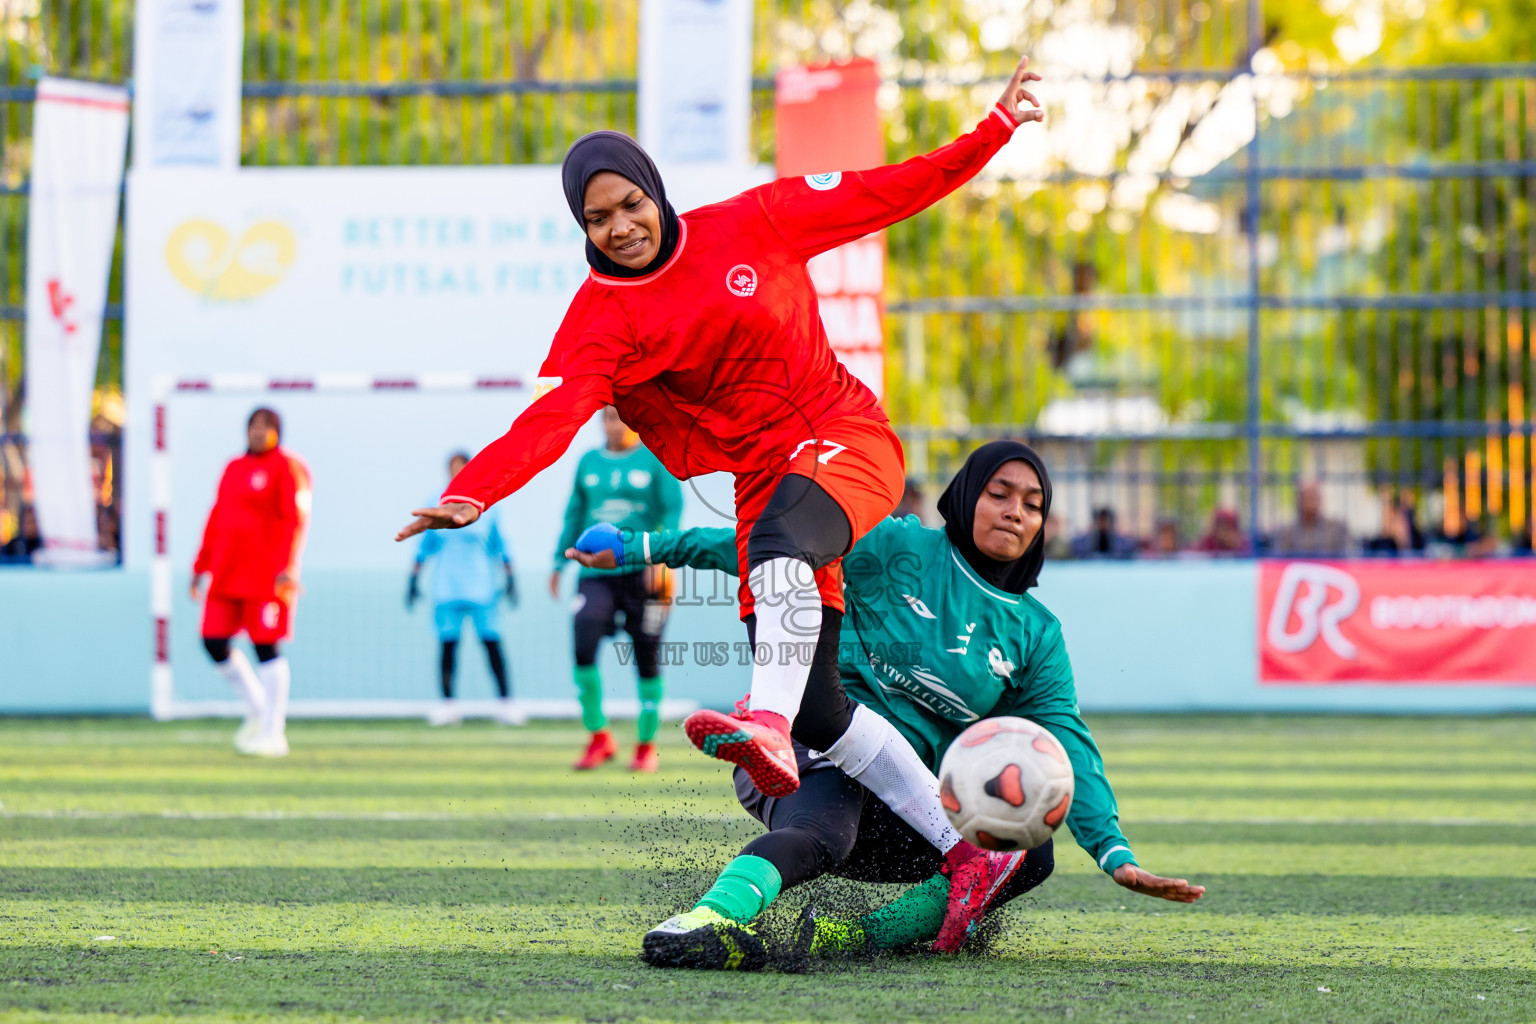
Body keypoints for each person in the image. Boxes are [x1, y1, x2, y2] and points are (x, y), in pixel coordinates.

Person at [396, 58, 1046, 898]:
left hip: (844, 437)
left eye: (631, 203)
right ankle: (971, 858)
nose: (621, 226)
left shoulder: (756, 221)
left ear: (655, 192)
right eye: (598, 218)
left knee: (782, 611)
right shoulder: (599, 322)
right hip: (765, 493)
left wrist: (992, 128)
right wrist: (474, 492)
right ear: (581, 227)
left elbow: (890, 189)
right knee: (825, 713)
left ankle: (763, 723)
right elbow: (550, 422)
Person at [567, 442, 1203, 967]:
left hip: (908, 797)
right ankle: (704, 920)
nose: (1015, 512)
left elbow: (1066, 743)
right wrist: (641, 547)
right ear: (965, 496)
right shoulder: (899, 548)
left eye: (1033, 504)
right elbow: (770, 545)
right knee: (823, 833)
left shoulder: (1035, 632)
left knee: (1026, 850)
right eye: (999, 494)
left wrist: (1115, 854)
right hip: (816, 747)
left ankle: (853, 938)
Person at [552, 407, 682, 771]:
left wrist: (664, 559)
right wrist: (557, 561)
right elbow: (574, 513)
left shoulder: (657, 460)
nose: (615, 423)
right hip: (595, 572)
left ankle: (645, 743)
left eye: (622, 416)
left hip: (644, 572)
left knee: (647, 655)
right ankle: (599, 737)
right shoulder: (588, 462)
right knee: (582, 645)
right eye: (609, 416)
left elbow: (672, 511)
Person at [191, 408, 311, 757]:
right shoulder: (233, 468)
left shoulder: (288, 468)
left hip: (266, 576)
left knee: (266, 647)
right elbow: (216, 517)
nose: (258, 432)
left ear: (277, 431)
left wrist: (287, 565)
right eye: (253, 426)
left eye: (266, 426)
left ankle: (275, 732)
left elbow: (294, 520)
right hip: (226, 573)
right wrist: (201, 564)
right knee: (213, 642)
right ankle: (258, 707)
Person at [407, 451, 522, 727]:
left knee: (492, 644)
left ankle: (506, 704)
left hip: (482, 587)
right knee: (448, 646)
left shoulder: (488, 503)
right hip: (447, 587)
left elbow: (500, 543)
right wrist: (413, 578)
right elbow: (424, 544)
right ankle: (448, 706)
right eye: (453, 469)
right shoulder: (436, 502)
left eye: (463, 469)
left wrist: (510, 576)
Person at [1270, 480, 1351, 557]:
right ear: (1299, 499)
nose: (1311, 501)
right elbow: (1278, 561)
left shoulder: (1336, 528)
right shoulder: (1286, 531)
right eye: (1307, 496)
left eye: (1314, 495)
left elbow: (1348, 558)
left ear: (1320, 498)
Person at [1069, 506, 1137, 559]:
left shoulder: (1123, 543)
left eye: (1105, 521)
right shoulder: (1082, 543)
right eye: (1100, 520)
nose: (1103, 524)